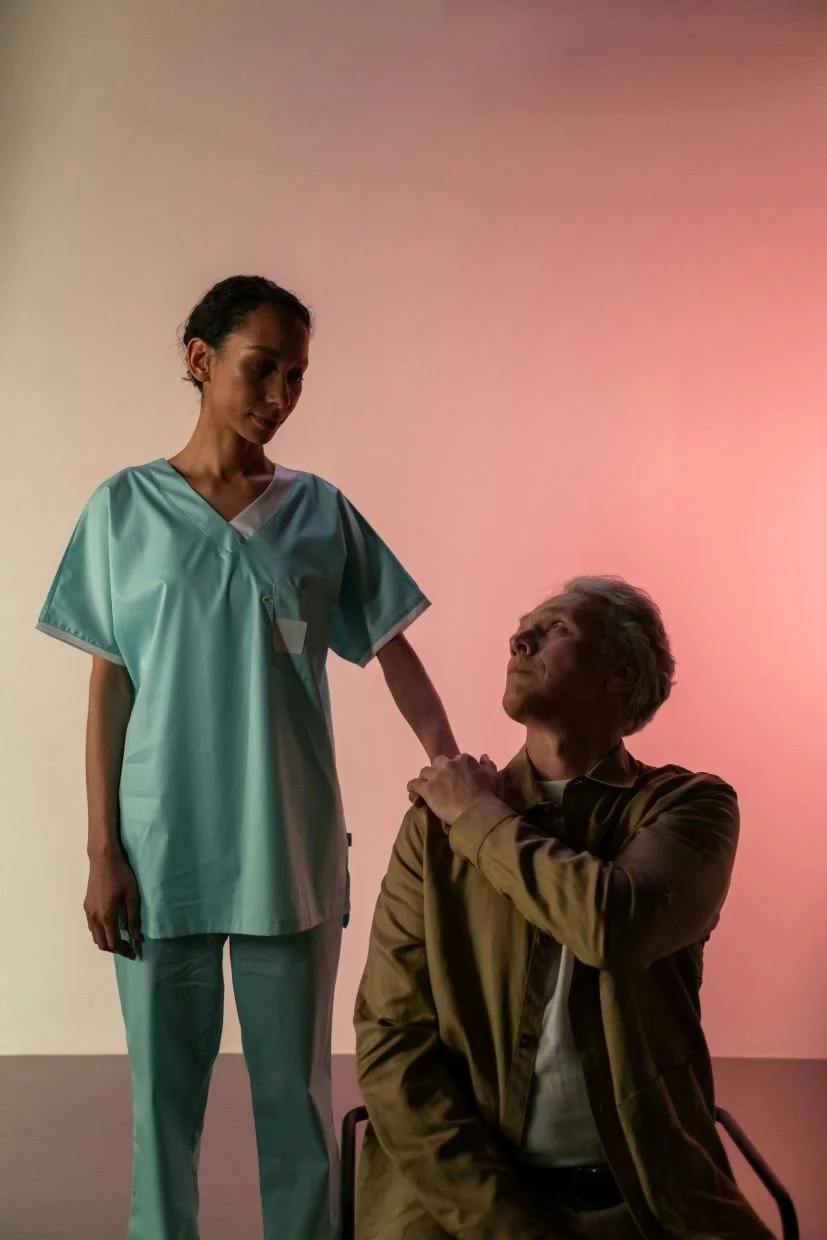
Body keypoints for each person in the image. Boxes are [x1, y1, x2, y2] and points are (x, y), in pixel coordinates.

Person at [37, 274, 457, 1240]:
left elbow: (392, 646)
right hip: (159, 848)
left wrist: (449, 765)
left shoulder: (320, 513)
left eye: (297, 375)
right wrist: (103, 849)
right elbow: (111, 687)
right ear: (200, 361)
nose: (281, 395)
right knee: (164, 1107)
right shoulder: (123, 510)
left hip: (289, 844)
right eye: (262, 368)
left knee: (299, 1108)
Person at [355, 576, 775, 1240]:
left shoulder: (689, 806)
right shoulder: (433, 832)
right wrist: (507, 1226)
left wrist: (477, 814)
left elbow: (614, 926)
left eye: (554, 629)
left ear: (622, 674)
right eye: (522, 626)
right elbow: (390, 1044)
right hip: (460, 1214)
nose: (519, 638)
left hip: (644, 1205)